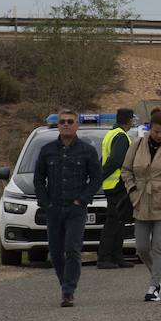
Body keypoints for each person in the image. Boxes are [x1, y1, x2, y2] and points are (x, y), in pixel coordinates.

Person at [33, 108, 104, 306]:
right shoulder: (47, 150)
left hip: (76, 209)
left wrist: (82, 199)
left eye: (70, 121)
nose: (66, 124)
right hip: (54, 208)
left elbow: (96, 178)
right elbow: (38, 178)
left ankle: (68, 290)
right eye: (62, 121)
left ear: (76, 125)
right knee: (55, 252)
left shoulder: (87, 151)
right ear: (58, 125)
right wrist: (45, 203)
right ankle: (64, 282)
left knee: (72, 249)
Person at [122, 111, 161, 301]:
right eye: (156, 131)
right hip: (141, 201)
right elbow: (126, 171)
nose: (159, 135)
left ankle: (153, 287)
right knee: (141, 247)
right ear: (150, 128)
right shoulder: (137, 145)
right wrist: (132, 189)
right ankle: (157, 272)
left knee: (158, 246)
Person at [96, 108, 135, 270]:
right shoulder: (121, 136)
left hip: (113, 185)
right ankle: (105, 257)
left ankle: (117, 256)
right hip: (117, 185)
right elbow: (115, 161)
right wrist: (100, 177)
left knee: (119, 222)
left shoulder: (111, 134)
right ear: (129, 120)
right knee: (113, 223)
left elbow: (103, 159)